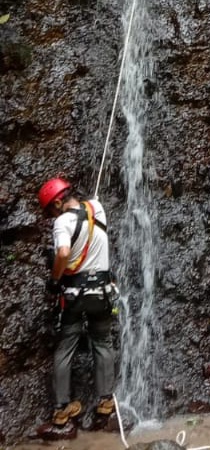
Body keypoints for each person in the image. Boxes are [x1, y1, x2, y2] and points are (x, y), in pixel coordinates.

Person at [37, 177, 117, 436]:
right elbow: (90, 207)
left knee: (66, 347)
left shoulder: (62, 222)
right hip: (102, 293)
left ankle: (62, 411)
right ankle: (105, 404)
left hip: (74, 294)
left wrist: (54, 279)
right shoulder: (98, 208)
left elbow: (62, 253)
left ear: (58, 202)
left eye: (50, 210)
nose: (51, 216)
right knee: (103, 344)